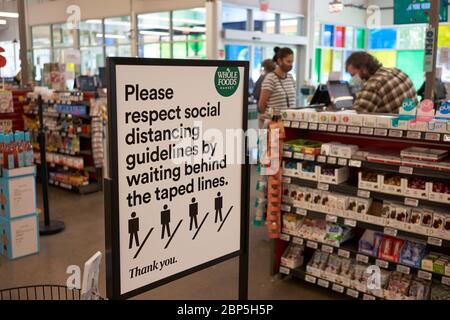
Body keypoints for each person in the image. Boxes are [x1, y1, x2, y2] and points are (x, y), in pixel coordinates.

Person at [345, 51, 417, 113]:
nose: (353, 79)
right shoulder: (396, 71)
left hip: (395, 127)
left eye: (353, 75)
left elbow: (355, 117)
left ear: (364, 69)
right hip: (414, 124)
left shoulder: (373, 85)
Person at [258, 47, 296, 120]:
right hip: (274, 123)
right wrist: (267, 117)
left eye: (292, 62)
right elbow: (261, 105)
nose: (291, 65)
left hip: (289, 122)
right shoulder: (270, 78)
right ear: (279, 61)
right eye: (288, 61)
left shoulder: (290, 77)